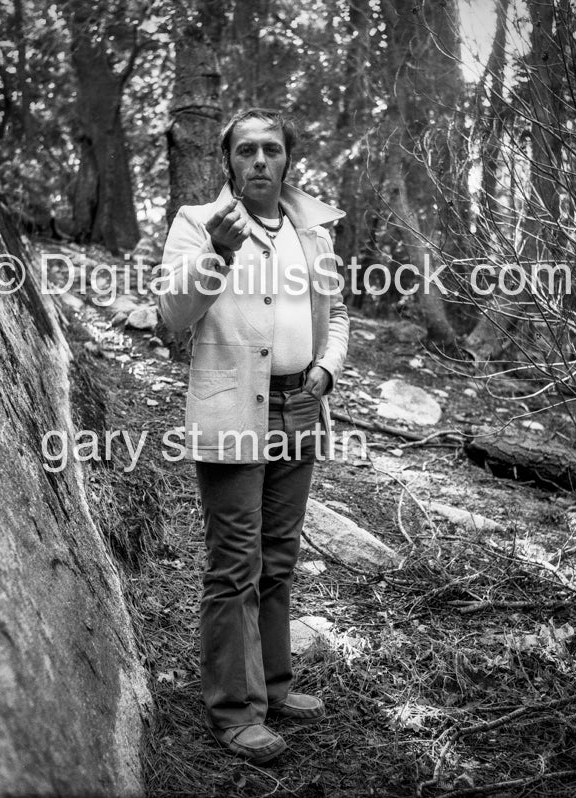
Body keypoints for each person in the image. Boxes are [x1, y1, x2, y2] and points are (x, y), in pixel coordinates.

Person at [158, 108, 349, 763]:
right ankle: (235, 711)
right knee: (235, 566)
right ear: (229, 160)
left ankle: (272, 684)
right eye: (247, 150)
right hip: (234, 411)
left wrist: (325, 369)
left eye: (271, 149)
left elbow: (339, 313)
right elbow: (173, 315)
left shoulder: (313, 229)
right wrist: (218, 250)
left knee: (278, 559)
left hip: (302, 406)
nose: (260, 160)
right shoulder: (196, 224)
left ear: (288, 158)